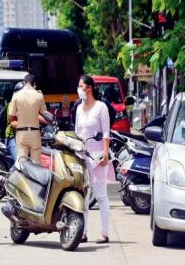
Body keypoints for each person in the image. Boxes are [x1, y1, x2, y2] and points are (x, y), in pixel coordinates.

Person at [74, 75, 111, 244]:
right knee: (83, 195)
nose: (79, 88)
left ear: (89, 88)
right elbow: (77, 134)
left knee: (100, 194)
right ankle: (83, 232)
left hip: (97, 157)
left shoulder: (101, 107)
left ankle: (104, 233)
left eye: (81, 86)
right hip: (81, 157)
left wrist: (105, 153)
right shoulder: (79, 109)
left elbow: (106, 133)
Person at [9, 74, 47, 164]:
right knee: (36, 164)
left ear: (23, 82)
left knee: (22, 163)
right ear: (34, 83)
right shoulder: (39, 96)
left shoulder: (16, 95)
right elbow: (44, 113)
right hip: (35, 133)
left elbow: (11, 116)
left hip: (22, 133)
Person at [4, 81, 24, 160]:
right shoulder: (12, 104)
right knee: (19, 162)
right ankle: (11, 173)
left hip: (23, 138)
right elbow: (12, 123)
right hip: (12, 137)